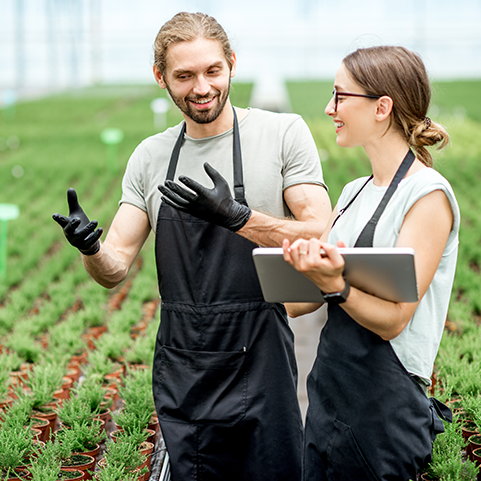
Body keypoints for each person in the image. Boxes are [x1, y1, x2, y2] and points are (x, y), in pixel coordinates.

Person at [52, 11, 331, 481]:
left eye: (212, 71)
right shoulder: (151, 156)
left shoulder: (281, 134)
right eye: (184, 75)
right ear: (160, 76)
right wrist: (90, 248)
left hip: (261, 352)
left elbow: (317, 229)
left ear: (232, 64)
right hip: (185, 359)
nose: (201, 87)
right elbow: (115, 267)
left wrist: (239, 217)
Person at [281, 46, 459, 481]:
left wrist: (337, 284)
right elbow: (299, 303)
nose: (329, 108)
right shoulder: (354, 192)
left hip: (384, 413)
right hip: (328, 399)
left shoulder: (427, 196)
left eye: (341, 96)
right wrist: (248, 229)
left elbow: (395, 320)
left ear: (382, 107)